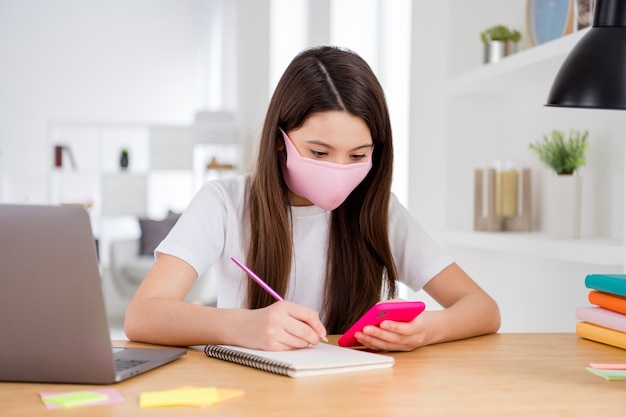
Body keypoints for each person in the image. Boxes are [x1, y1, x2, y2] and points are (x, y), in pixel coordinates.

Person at [125, 46, 500, 352]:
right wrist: (245, 325)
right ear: (279, 140)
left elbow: (483, 308)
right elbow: (142, 315)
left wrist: (426, 330)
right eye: (319, 153)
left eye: (357, 156)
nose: (339, 169)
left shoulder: (379, 211)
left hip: (356, 394)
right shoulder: (224, 202)